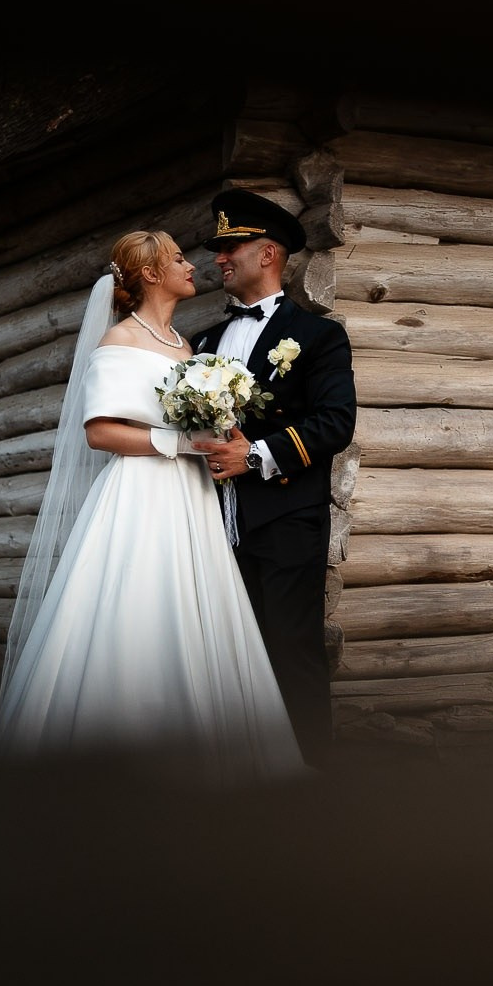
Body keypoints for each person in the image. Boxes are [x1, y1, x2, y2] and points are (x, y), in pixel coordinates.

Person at [0, 228, 307, 783]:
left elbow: (198, 420)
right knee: (139, 603)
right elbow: (101, 433)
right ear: (152, 274)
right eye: (179, 258)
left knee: (194, 601)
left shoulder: (187, 347)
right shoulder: (118, 342)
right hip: (139, 492)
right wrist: (180, 444)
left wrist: (222, 423)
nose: (194, 265)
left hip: (191, 496)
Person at [191, 189, 357, 762]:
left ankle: (311, 778)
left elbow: (335, 423)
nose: (218, 258)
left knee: (290, 650)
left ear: (267, 254)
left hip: (286, 518)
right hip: (213, 523)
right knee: (226, 651)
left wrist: (254, 455)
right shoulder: (205, 343)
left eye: (229, 247)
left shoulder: (317, 335)